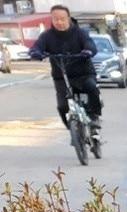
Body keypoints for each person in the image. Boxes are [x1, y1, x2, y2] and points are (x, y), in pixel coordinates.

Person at [29, 4, 102, 134]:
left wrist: (88, 51)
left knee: (92, 89)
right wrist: (35, 53)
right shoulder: (47, 36)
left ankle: (94, 116)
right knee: (62, 106)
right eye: (55, 19)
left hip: (83, 74)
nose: (59, 22)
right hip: (61, 77)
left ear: (68, 18)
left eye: (62, 19)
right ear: (52, 19)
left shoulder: (80, 33)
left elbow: (90, 45)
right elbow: (37, 47)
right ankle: (73, 131)